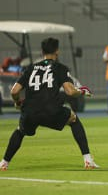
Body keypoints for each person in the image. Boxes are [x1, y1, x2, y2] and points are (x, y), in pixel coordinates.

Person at [0, 38, 98, 171]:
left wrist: (17, 102)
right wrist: (81, 91)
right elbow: (69, 91)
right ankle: (88, 160)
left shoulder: (31, 68)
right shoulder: (60, 68)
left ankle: (4, 163)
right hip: (51, 110)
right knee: (73, 119)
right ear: (57, 51)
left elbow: (14, 91)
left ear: (42, 51)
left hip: (30, 111)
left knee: (20, 131)